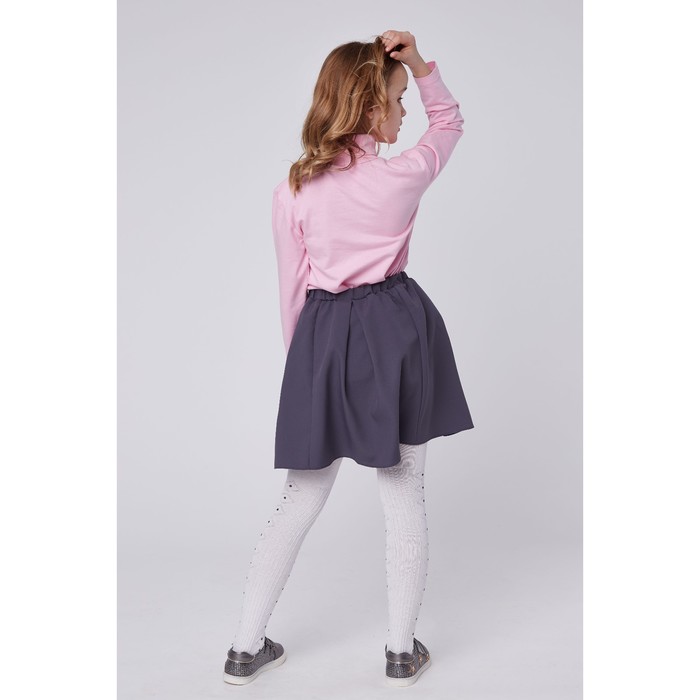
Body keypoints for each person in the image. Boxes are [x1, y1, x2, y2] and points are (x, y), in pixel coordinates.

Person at [223, 30, 474, 688]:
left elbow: (292, 290)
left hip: (322, 336)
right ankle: (400, 652)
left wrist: (306, 373)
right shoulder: (400, 176)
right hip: (396, 328)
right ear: (369, 107)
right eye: (398, 98)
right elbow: (449, 120)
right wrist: (419, 62)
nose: (406, 112)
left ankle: (244, 649)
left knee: (300, 495)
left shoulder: (293, 190)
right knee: (403, 490)